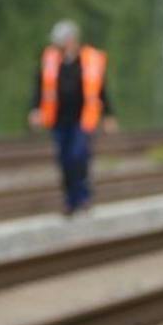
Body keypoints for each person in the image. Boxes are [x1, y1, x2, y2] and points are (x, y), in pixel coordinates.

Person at [32, 18, 113, 214]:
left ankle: (83, 196)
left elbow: (101, 89)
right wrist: (35, 109)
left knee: (79, 156)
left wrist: (109, 114)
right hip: (59, 120)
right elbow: (39, 87)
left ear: (70, 40)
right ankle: (70, 200)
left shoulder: (89, 59)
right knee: (64, 160)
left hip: (83, 119)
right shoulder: (50, 60)